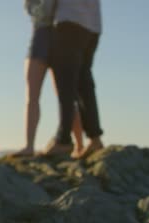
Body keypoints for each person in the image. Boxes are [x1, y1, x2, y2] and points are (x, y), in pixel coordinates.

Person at [11, 0, 85, 158]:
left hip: (61, 35)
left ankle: (79, 146)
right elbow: (32, 9)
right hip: (41, 35)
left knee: (66, 96)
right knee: (33, 95)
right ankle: (29, 146)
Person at [42, 0, 104, 158]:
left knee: (66, 84)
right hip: (93, 26)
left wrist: (45, 17)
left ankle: (63, 140)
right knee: (84, 82)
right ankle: (94, 137)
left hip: (69, 22)